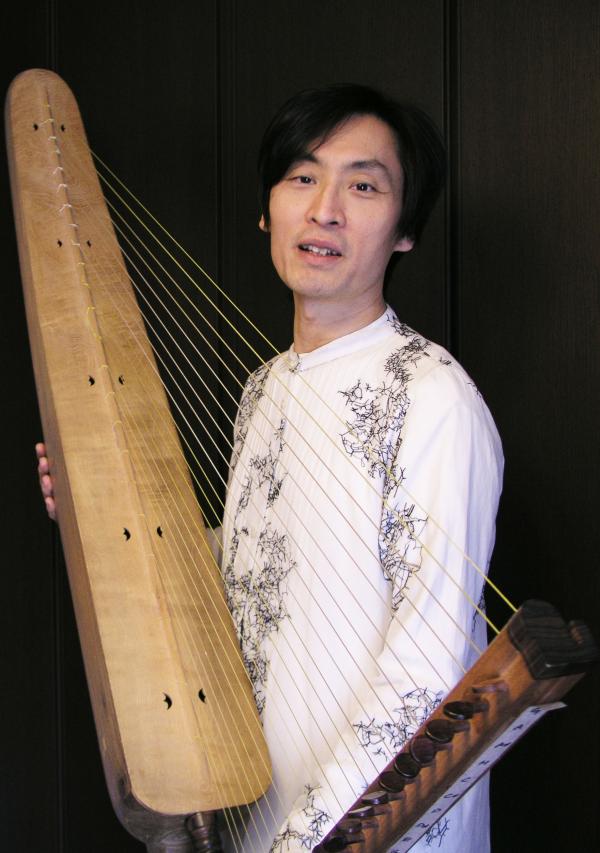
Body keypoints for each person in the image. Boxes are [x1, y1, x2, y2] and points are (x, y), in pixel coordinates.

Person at [38, 84, 503, 853]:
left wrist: (305, 841)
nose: (325, 209)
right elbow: (251, 577)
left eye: (363, 186)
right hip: (255, 818)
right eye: (302, 177)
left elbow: (431, 667)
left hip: (375, 836)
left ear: (405, 230)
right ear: (267, 211)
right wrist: (98, 512)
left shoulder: (432, 397)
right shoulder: (265, 388)